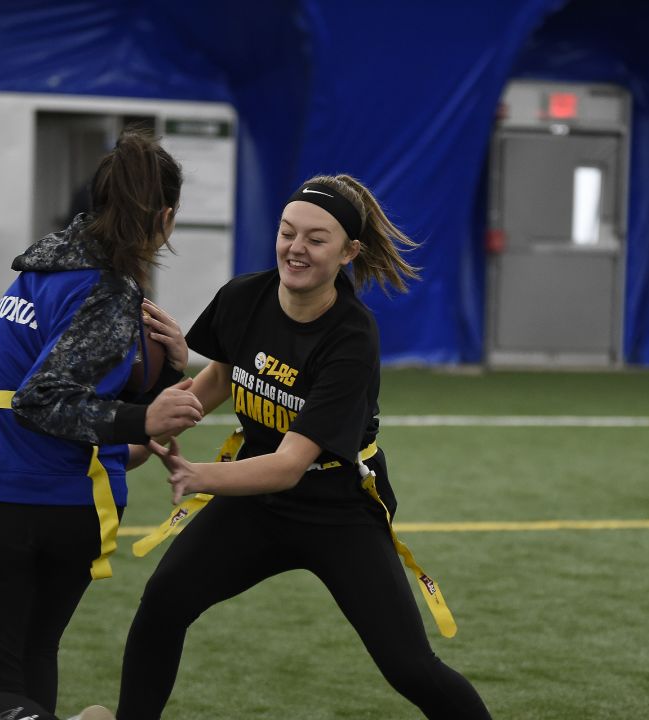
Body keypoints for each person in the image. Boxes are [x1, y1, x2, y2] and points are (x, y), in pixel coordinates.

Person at [115, 174, 493, 719]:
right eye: (288, 232)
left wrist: (196, 476)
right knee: (162, 607)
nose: (296, 248)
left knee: (408, 666)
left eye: (316, 239)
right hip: (256, 505)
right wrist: (144, 436)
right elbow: (220, 380)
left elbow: (291, 465)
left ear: (348, 252)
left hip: (339, 511)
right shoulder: (244, 296)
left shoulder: (352, 337)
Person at [0, 129, 205, 720]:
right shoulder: (110, 290)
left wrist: (157, 390)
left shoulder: (40, 272)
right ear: (166, 218)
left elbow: (42, 397)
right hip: (60, 505)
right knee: (31, 657)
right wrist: (150, 404)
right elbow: (52, 399)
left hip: (1, 498)